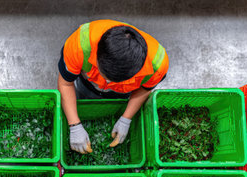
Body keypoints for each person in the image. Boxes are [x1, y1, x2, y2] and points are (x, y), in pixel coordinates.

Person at [58, 19, 169, 154]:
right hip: (86, 84)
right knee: (81, 94)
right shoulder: (79, 45)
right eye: (104, 75)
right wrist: (74, 125)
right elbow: (65, 83)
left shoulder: (157, 65)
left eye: (115, 81)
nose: (108, 85)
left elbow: (145, 90)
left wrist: (126, 119)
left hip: (124, 94)